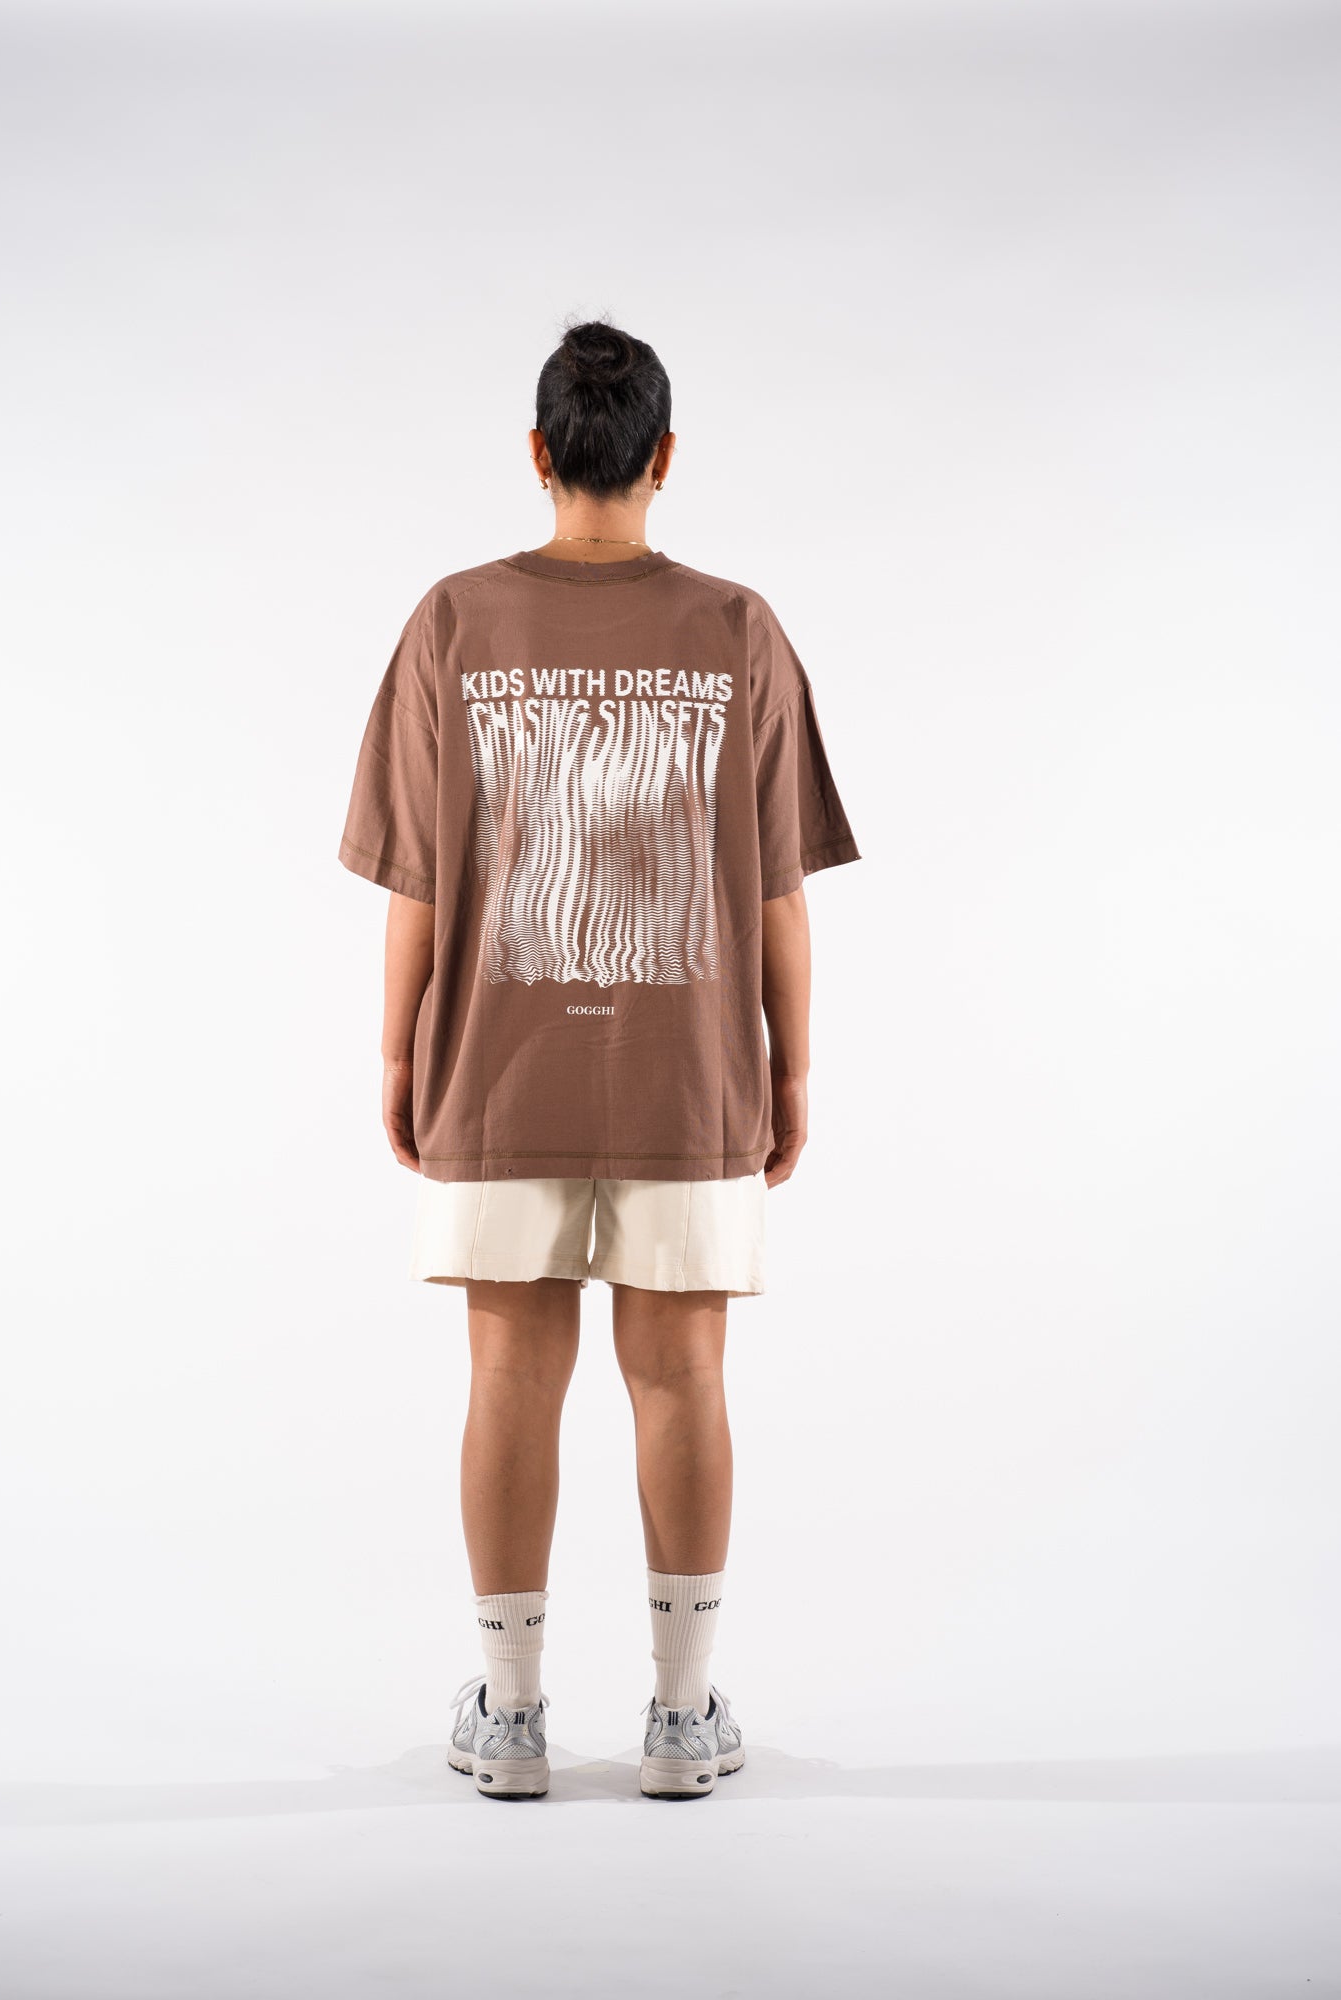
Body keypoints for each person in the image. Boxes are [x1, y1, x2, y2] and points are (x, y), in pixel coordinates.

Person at [338, 319, 861, 1801]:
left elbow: (416, 886)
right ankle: (684, 1720)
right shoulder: (737, 630)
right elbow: (778, 891)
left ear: (538, 451)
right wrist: (792, 1071)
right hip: (690, 1070)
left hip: (495, 1062)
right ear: (664, 456)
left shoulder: (455, 622)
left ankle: (509, 1720)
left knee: (509, 1373)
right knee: (683, 1377)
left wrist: (399, 1051)